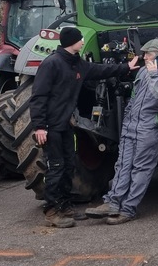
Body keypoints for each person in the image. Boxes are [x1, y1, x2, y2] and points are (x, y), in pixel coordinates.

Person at [29, 26, 139, 228]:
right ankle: (52, 211)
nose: (82, 41)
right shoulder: (51, 64)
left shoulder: (77, 63)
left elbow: (100, 70)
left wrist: (126, 67)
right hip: (51, 126)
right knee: (56, 167)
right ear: (72, 41)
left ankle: (64, 206)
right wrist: (40, 126)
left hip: (66, 124)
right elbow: (38, 97)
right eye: (80, 39)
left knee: (69, 166)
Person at [85, 38, 158, 225]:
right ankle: (112, 203)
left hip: (148, 128)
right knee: (122, 165)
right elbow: (134, 97)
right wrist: (127, 118)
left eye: (149, 54)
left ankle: (128, 209)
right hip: (131, 126)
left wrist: (154, 76)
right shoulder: (142, 72)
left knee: (141, 168)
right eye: (145, 54)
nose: (145, 57)